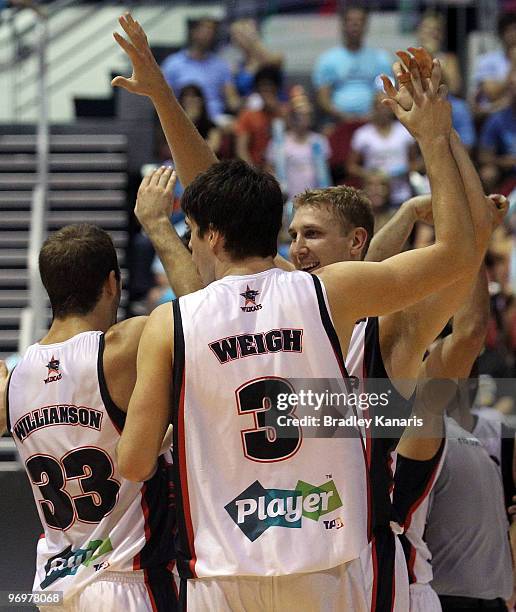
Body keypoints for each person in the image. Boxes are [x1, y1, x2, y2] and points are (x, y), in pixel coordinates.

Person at [112, 15, 480, 611]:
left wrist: (438, 145)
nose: (302, 248)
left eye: (316, 235)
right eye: (296, 235)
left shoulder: (191, 318)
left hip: (268, 564)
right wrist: (434, 142)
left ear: (357, 243)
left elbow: (464, 276)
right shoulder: (325, 295)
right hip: (321, 561)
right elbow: (218, 196)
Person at [0, 168, 184, 611]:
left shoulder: (12, 378)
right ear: (111, 283)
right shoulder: (122, 347)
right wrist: (159, 225)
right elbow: (208, 311)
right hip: (126, 580)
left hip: (51, 587)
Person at [312, 4, 391, 123]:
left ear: (366, 25)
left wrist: (372, 115)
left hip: (373, 121)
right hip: (337, 121)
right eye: (350, 21)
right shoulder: (327, 60)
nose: (355, 25)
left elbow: (385, 94)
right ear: (342, 25)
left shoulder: (381, 59)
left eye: (359, 21)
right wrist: (342, 116)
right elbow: (323, 98)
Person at [347, 91, 420, 206]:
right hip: (375, 195)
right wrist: (372, 177)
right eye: (378, 105)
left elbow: (415, 163)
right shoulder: (362, 134)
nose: (382, 109)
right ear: (373, 108)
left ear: (392, 107)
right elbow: (351, 166)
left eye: (386, 105)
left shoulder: (404, 132)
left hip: (401, 193)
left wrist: (399, 172)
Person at [161, 17, 240, 122]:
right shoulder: (172, 64)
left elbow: (232, 100)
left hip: (216, 119)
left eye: (212, 30)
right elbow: (164, 99)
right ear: (193, 32)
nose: (209, 34)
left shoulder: (221, 65)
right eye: (205, 29)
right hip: (184, 118)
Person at [235, 64, 287, 168]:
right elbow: (241, 149)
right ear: (258, 89)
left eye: (270, 86)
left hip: (285, 169)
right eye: (263, 87)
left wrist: (276, 110)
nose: (267, 90)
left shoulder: (286, 113)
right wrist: (254, 174)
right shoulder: (248, 115)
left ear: (277, 88)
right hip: (257, 170)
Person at [473, 12, 516, 117]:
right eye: (508, 30)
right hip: (495, 118)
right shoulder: (487, 60)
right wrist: (513, 64)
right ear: (501, 34)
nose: (513, 34)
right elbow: (492, 93)